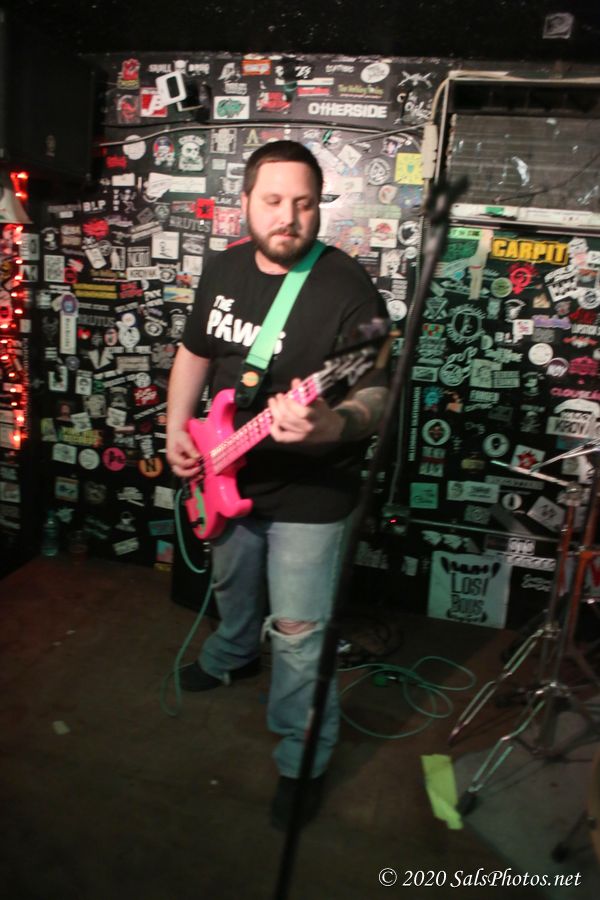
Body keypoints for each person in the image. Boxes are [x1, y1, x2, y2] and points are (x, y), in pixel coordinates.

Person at [166, 140, 388, 829]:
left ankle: (302, 759)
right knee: (232, 586)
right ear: (245, 203)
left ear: (319, 207)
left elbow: (376, 392)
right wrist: (176, 428)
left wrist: (332, 424)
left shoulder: (351, 291)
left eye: (304, 203)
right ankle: (233, 655)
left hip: (312, 488)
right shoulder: (223, 268)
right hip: (224, 465)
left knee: (297, 630)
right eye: (273, 200)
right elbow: (195, 352)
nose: (289, 217)